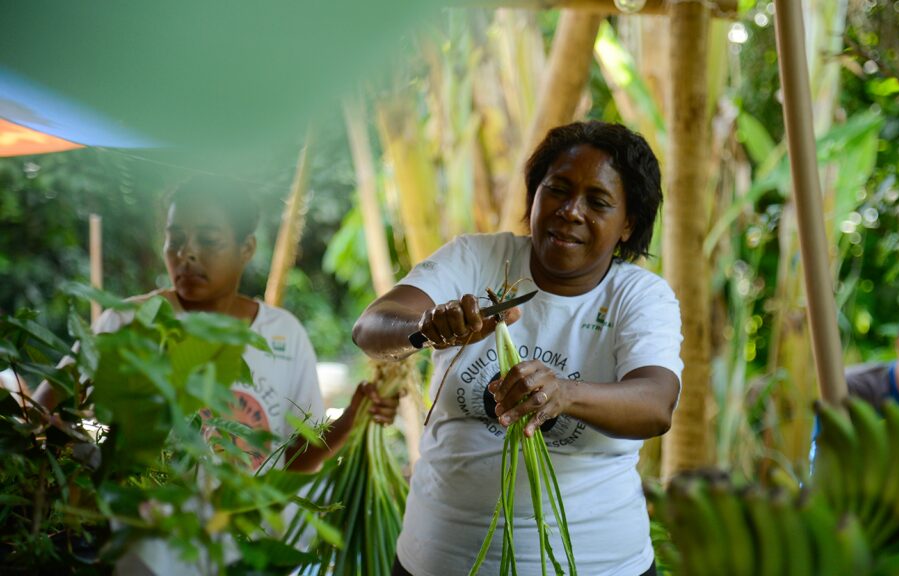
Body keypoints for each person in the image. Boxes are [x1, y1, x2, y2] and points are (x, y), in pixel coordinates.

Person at [353, 121, 684, 576]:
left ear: (628, 224)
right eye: (557, 190)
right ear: (534, 195)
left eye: (598, 201)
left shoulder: (640, 296)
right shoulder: (474, 259)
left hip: (597, 565)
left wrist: (564, 394)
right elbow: (371, 328)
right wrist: (426, 328)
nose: (570, 211)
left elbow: (656, 403)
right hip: (438, 559)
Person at [31, 175, 400, 574]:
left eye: (208, 240)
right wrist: (76, 483)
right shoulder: (128, 321)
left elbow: (296, 455)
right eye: (175, 239)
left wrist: (350, 419)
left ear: (246, 248)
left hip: (253, 555)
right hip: (151, 557)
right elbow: (43, 410)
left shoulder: (282, 334)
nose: (186, 254)